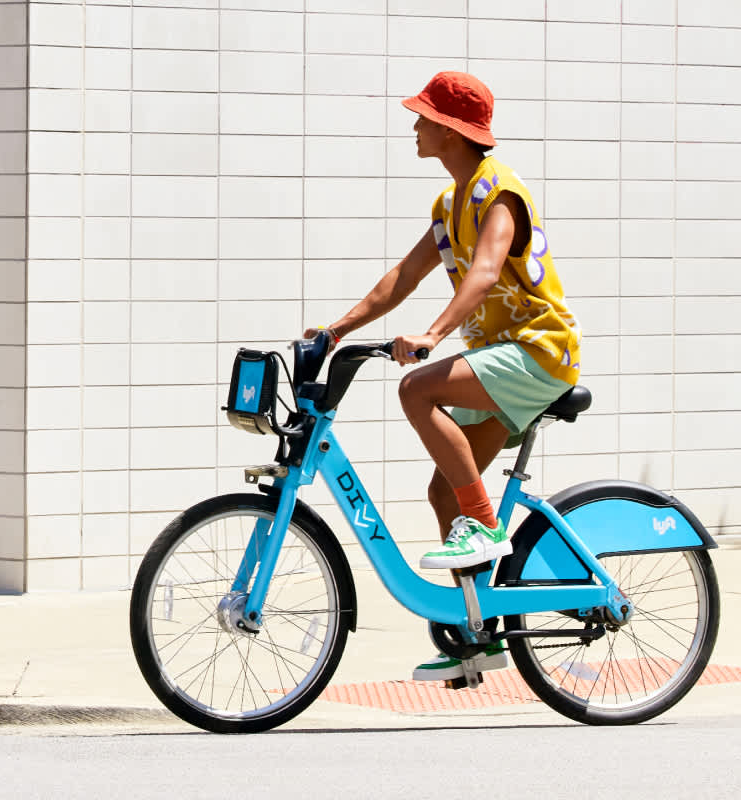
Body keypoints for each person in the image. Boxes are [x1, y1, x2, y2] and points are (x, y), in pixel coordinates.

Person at [304, 71, 582, 682]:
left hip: (538, 351)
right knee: (442, 494)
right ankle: (477, 636)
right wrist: (337, 330)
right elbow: (400, 279)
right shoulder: (449, 203)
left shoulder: (498, 194)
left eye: (423, 117)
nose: (414, 126)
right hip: (496, 357)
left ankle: (483, 530)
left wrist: (431, 336)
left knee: (418, 386)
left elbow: (483, 271)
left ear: (453, 130)